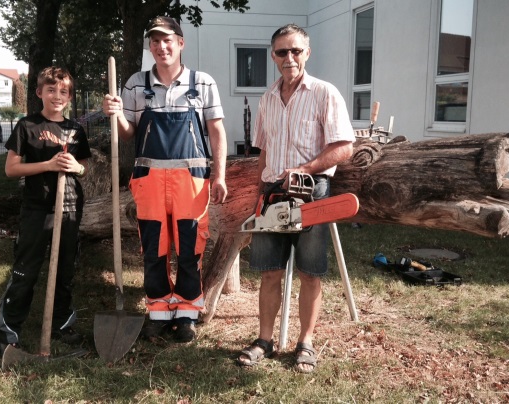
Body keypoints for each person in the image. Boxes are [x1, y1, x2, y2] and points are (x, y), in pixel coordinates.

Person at [236, 24, 355, 373]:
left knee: (310, 272)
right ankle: (263, 341)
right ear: (272, 56)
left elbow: (344, 147)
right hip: (272, 195)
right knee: (269, 273)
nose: (289, 58)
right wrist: (260, 190)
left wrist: (306, 168)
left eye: (296, 51)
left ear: (307, 52)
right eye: (281, 52)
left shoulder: (324, 93)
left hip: (311, 193)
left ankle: (305, 343)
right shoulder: (267, 99)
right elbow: (264, 151)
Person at [102, 16, 227, 342]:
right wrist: (115, 116)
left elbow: (217, 132)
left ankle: (186, 313)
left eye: (167, 39)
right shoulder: (134, 84)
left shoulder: (202, 83)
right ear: (150, 46)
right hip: (149, 177)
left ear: (180, 43)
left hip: (192, 178)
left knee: (189, 248)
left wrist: (221, 175)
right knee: (154, 249)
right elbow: (127, 135)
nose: (161, 46)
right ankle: (158, 311)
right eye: (154, 41)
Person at [0, 66, 92, 354]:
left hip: (70, 206)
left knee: (65, 269)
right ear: (39, 93)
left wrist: (78, 168)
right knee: (26, 268)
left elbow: (86, 168)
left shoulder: (75, 130)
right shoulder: (27, 126)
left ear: (70, 97)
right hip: (38, 207)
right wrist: (48, 165)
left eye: (63, 91)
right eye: (51, 90)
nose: (57, 95)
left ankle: (62, 324)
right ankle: (8, 329)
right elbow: (11, 169)